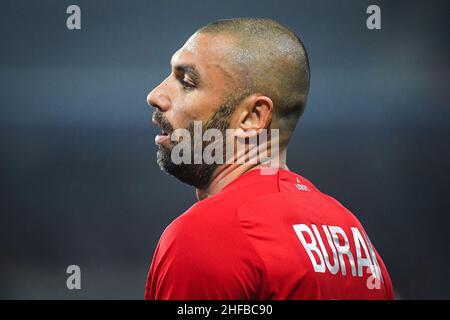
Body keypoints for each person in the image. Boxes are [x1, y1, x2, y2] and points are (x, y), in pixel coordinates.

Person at [145, 18, 394, 300]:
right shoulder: (354, 238)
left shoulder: (206, 236)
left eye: (187, 82)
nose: (155, 95)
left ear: (253, 117)